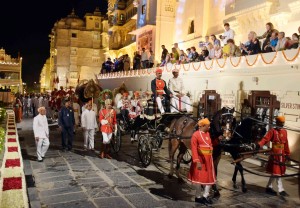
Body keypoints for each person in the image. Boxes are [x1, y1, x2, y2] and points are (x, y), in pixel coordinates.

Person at [256, 116, 290, 197]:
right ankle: (281, 190)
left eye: (282, 123)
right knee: (277, 172)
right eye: (280, 123)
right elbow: (265, 139)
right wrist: (259, 144)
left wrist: (287, 154)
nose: (281, 125)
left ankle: (268, 187)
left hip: (281, 155)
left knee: (275, 173)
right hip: (274, 154)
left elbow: (286, 144)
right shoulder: (272, 131)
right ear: (277, 123)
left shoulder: (285, 132)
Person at [188, 118, 216, 204]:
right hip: (200, 160)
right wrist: (197, 161)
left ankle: (205, 195)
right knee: (198, 178)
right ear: (203, 126)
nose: (209, 127)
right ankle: (198, 196)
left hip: (208, 160)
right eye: (208, 125)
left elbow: (210, 145)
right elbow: (194, 149)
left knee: (209, 178)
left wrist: (218, 140)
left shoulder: (207, 134)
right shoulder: (195, 135)